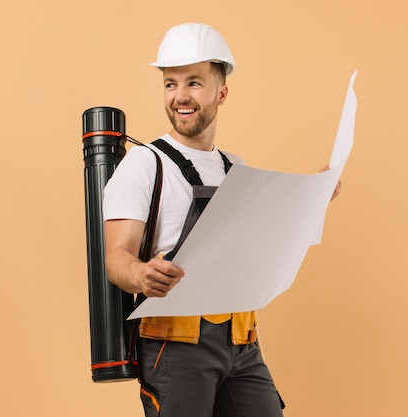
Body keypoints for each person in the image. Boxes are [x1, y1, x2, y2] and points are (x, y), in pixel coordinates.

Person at [102, 22, 341, 417]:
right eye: (170, 83)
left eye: (194, 83)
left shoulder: (236, 168)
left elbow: (264, 243)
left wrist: (312, 198)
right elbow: (116, 257)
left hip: (242, 341)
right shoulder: (145, 165)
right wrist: (141, 273)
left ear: (221, 92)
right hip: (175, 346)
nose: (180, 96)